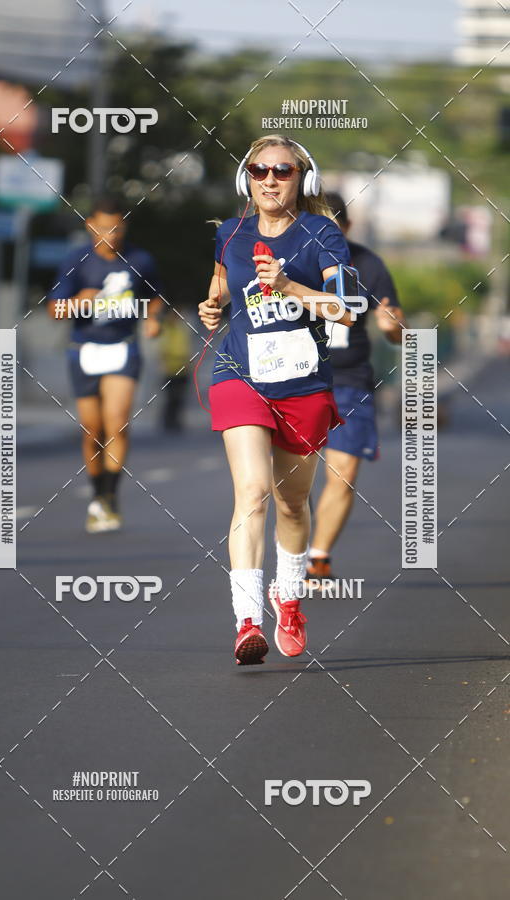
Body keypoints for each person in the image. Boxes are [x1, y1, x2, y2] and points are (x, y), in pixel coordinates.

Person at [198, 135, 354, 665]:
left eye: (281, 170)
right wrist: (212, 308)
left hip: (303, 384)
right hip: (239, 375)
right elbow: (220, 285)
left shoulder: (322, 235)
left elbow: (348, 309)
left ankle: (288, 599)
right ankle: (247, 622)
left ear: (301, 179)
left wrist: (290, 286)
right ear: (246, 178)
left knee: (291, 504)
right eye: (258, 169)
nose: (269, 179)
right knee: (253, 492)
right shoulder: (230, 234)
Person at [305, 191, 407, 583]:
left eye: (332, 229)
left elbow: (397, 330)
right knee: (294, 480)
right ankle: (295, 552)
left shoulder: (368, 264)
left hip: (349, 382)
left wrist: (392, 326)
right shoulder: (290, 264)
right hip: (297, 381)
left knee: (343, 472)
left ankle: (319, 556)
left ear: (347, 229)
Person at [47, 194, 163, 533]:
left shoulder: (140, 259)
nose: (109, 236)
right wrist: (76, 303)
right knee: (91, 430)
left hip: (123, 347)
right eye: (102, 229)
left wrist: (153, 319)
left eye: (116, 229)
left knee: (118, 422)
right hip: (84, 349)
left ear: (124, 226)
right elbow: (54, 311)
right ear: (89, 226)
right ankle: (97, 494)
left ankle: (110, 496)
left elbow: (155, 297)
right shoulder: (76, 260)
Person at [158, 307, 191, 432]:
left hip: (183, 368)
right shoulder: (165, 329)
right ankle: (168, 421)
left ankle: (176, 420)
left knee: (180, 397)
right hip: (170, 369)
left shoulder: (181, 329)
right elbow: (163, 349)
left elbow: (185, 346)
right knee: (170, 397)